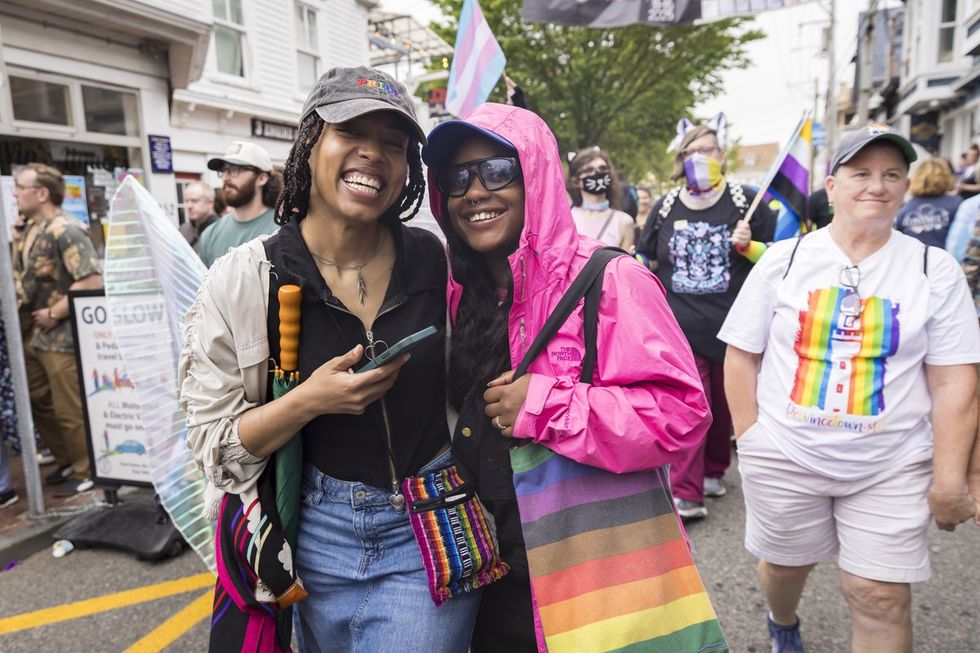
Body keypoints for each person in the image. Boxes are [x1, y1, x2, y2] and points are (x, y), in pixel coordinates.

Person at [179, 66, 480, 651]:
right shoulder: (244, 278)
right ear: (310, 143)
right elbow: (214, 446)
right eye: (351, 132)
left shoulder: (437, 261)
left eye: (393, 143)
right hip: (313, 537)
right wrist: (307, 402)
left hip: (430, 519)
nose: (373, 154)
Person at [421, 103, 711, 652]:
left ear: (535, 176)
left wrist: (546, 406)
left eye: (496, 171)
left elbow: (681, 415)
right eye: (457, 178)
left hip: (594, 579)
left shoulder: (613, 278)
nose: (474, 191)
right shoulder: (457, 290)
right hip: (488, 573)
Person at [719, 125, 979, 653]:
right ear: (832, 187)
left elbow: (955, 378)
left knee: (879, 596)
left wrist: (952, 478)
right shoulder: (784, 260)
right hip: (786, 456)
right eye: (861, 174)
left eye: (891, 175)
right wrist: (752, 438)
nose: (876, 186)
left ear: (906, 188)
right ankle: (782, 619)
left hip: (892, 464)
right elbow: (742, 354)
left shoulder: (934, 270)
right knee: (786, 568)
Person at [637, 121, 777, 520]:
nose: (700, 158)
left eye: (708, 150)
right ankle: (686, 492)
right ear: (681, 159)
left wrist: (749, 246)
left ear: (721, 155)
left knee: (723, 407)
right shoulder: (666, 206)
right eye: (691, 152)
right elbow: (647, 255)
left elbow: (776, 259)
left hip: (734, 326)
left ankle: (714, 471)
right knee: (691, 405)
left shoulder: (747, 202)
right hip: (680, 328)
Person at [11, 163, 103, 496]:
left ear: (41, 193)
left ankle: (87, 469)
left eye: (21, 187)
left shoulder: (66, 229)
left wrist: (54, 312)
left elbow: (90, 279)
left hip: (61, 336)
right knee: (38, 399)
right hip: (34, 335)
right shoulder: (30, 230)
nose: (15, 194)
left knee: (69, 407)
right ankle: (66, 458)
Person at [197, 141, 282, 267]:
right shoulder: (210, 234)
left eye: (234, 170)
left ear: (261, 178)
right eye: (223, 170)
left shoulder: (282, 230)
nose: (225, 177)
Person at [566, 147, 635, 250]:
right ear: (576, 181)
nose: (598, 173)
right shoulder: (566, 219)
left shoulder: (624, 222)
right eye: (589, 170)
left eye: (603, 168)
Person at [893, 158, 960, 248]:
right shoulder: (956, 204)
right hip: (945, 254)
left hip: (913, 255)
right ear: (946, 177)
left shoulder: (905, 208)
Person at [179, 180, 221, 252]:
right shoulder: (183, 230)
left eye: (194, 201)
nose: (189, 206)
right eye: (187, 201)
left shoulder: (221, 231)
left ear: (210, 202)